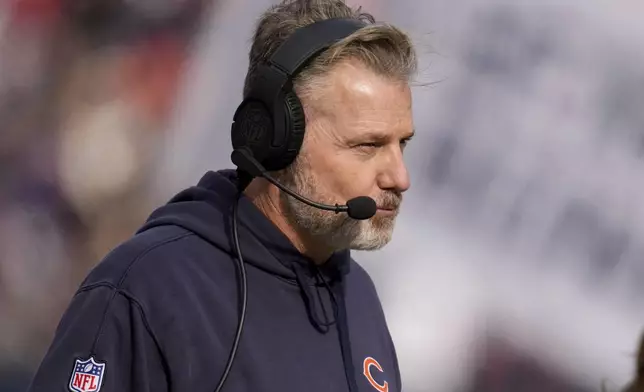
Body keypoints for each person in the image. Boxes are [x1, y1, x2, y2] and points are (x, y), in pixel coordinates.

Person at [26, 0, 417, 391]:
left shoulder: (359, 300)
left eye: (402, 144)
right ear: (275, 139)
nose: (399, 177)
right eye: (368, 145)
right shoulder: (148, 287)